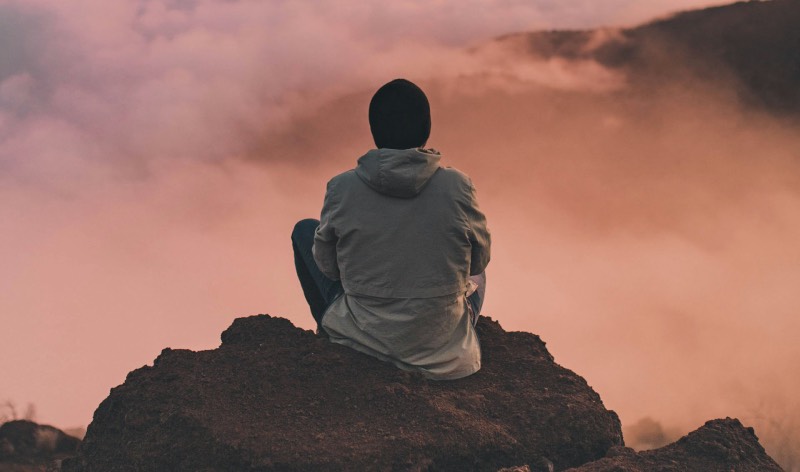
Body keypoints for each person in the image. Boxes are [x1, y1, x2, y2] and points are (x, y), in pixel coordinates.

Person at [291, 78, 490, 380]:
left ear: (375, 131)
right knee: (479, 276)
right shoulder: (458, 186)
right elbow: (477, 262)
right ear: (426, 131)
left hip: (363, 335)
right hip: (443, 349)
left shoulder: (342, 187)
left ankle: (330, 333)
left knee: (305, 231)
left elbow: (329, 269)